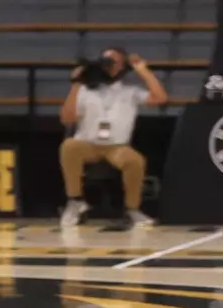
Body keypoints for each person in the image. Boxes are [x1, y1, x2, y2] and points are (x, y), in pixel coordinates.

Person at [56, 47, 166, 228]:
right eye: (104, 61)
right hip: (88, 144)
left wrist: (142, 71)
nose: (106, 66)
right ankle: (75, 201)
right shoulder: (84, 90)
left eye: (112, 62)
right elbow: (66, 118)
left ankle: (133, 210)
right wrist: (76, 84)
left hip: (117, 147)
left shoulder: (130, 92)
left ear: (122, 67)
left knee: (135, 161)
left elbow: (160, 98)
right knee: (69, 146)